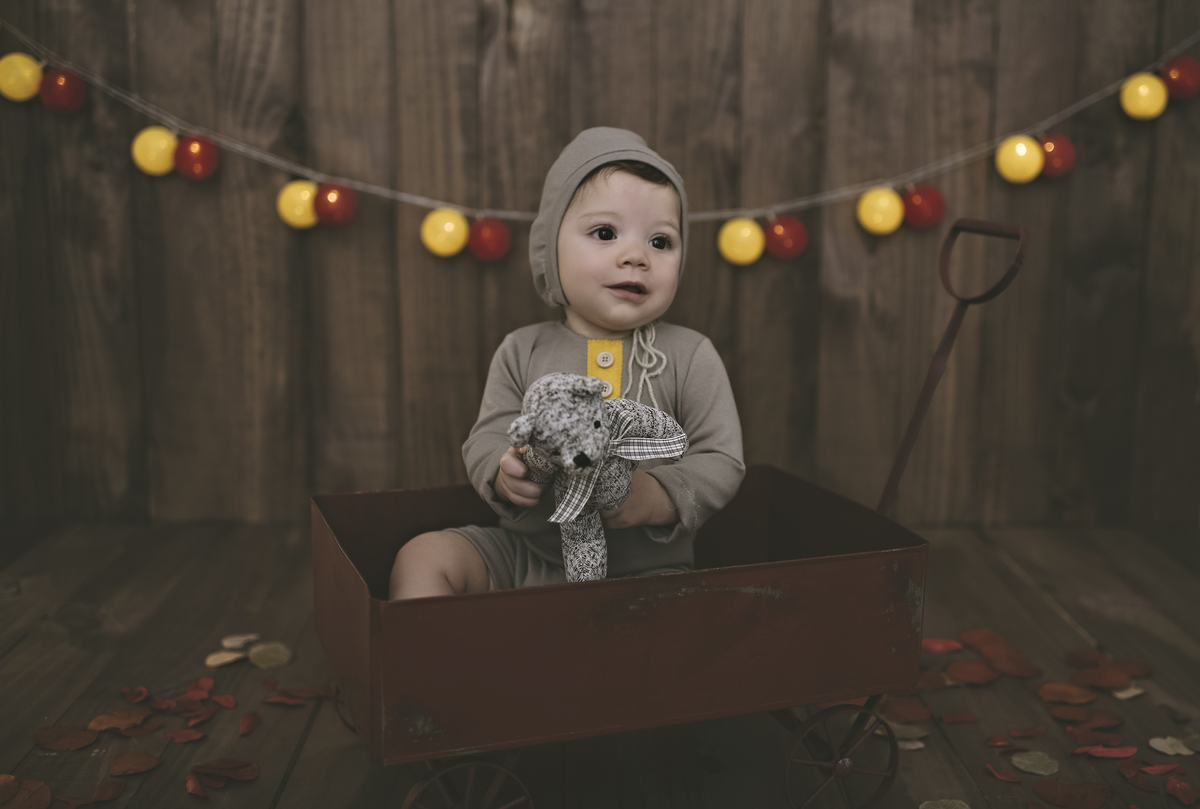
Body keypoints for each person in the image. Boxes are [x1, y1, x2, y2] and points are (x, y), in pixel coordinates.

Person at [389, 127, 744, 600]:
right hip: (527, 559)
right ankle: (436, 671)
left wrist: (654, 497)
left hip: (647, 574)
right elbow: (490, 432)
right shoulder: (523, 349)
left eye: (661, 242)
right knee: (423, 557)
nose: (636, 256)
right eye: (604, 233)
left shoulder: (689, 355)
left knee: (671, 621)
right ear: (551, 250)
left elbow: (721, 459)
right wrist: (504, 471)